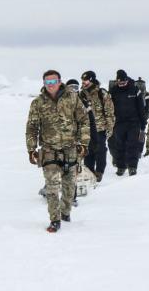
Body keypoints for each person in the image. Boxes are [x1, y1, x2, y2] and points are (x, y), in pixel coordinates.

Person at [26, 69, 90, 233]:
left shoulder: (73, 98)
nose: (51, 85)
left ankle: (65, 213)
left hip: (70, 150)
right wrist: (31, 149)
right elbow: (32, 127)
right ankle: (54, 220)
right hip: (49, 151)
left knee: (69, 188)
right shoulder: (38, 103)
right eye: (48, 82)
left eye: (54, 82)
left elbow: (83, 120)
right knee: (52, 188)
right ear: (44, 84)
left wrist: (83, 143)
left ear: (60, 81)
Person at [108, 69, 147, 176]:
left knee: (132, 144)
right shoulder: (113, 91)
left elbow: (141, 108)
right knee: (119, 145)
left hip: (134, 122)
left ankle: (132, 166)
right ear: (117, 81)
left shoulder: (135, 90)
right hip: (119, 122)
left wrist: (143, 123)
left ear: (126, 80)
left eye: (124, 82)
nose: (122, 85)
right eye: (120, 83)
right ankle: (121, 166)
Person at [78, 70, 115, 182]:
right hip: (86, 128)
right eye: (82, 80)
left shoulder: (101, 93)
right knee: (87, 150)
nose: (83, 82)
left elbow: (109, 112)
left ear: (92, 80)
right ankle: (89, 171)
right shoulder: (81, 94)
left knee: (100, 150)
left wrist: (110, 127)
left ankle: (99, 172)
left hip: (100, 128)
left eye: (85, 80)